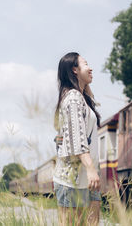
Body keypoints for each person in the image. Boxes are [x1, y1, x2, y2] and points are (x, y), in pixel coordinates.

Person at [53, 52, 101, 226]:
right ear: (74, 69)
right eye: (85, 64)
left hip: (88, 178)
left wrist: (84, 88)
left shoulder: (81, 98)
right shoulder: (73, 98)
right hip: (72, 179)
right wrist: (90, 169)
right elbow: (76, 138)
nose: (90, 68)